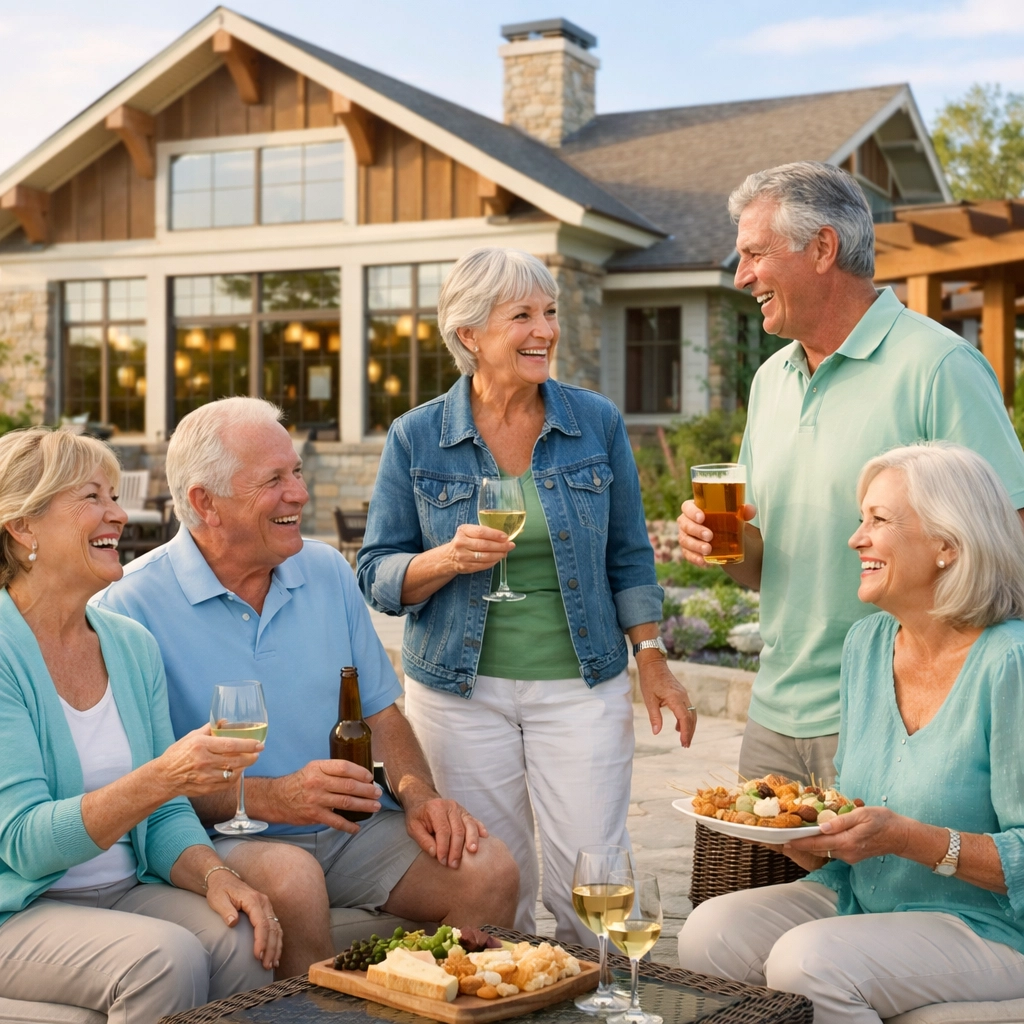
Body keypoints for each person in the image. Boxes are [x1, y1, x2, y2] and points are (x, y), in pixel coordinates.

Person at [96, 397, 518, 975]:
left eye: (295, 472)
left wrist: (418, 792)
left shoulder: (324, 571)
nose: (299, 492)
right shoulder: (127, 606)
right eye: (274, 479)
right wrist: (275, 797)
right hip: (219, 837)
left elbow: (381, 712)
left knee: (488, 866)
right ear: (204, 503)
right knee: (292, 878)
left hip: (346, 829)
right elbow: (144, 785)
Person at [357, 246, 695, 944]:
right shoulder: (417, 436)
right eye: (522, 316)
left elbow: (629, 552)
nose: (544, 330)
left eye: (549, 313)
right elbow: (377, 573)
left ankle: (598, 1002)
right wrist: (446, 560)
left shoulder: (593, 422)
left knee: (592, 881)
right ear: (470, 335)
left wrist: (653, 657)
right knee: (490, 879)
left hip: (582, 684)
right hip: (458, 694)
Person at [676, 161, 1024, 784]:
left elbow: (1009, 544)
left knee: (878, 886)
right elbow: (762, 568)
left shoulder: (938, 365)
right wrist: (721, 542)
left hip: (895, 717)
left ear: (823, 248)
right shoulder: (769, 381)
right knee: (739, 886)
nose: (741, 276)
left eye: (755, 253)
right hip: (774, 716)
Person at [678, 443, 1024, 1023]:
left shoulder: (1009, 662)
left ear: (948, 545)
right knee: (708, 932)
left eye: (878, 520)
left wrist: (906, 839)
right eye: (860, 519)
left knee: (808, 961)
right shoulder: (866, 645)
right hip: (862, 898)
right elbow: (854, 827)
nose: (855, 539)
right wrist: (812, 840)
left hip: (990, 925)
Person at [0, 427, 282, 1022]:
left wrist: (215, 874)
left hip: (120, 890)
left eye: (113, 496)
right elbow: (26, 846)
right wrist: (163, 775)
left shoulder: (128, 645)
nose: (119, 514)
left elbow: (165, 814)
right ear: (22, 527)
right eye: (92, 498)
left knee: (244, 940)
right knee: (165, 958)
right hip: (19, 908)